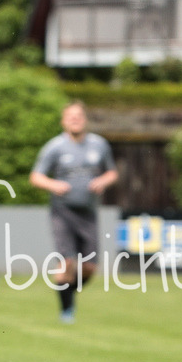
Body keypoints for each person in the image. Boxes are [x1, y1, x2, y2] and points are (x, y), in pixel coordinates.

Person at [29, 101, 118, 323]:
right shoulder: (54, 147)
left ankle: (66, 290)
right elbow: (36, 177)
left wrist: (102, 181)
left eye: (78, 116)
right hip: (63, 212)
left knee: (89, 267)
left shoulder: (99, 145)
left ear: (85, 119)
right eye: (71, 116)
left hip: (88, 213)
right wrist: (54, 185)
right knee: (67, 262)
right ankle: (66, 311)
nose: (75, 120)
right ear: (63, 121)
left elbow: (112, 173)